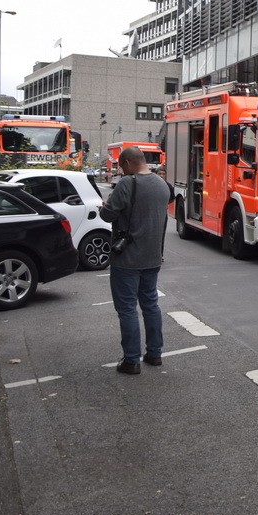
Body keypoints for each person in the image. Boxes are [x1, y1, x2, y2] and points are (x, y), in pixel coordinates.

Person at [100, 147, 172, 375]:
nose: (122, 170)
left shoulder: (127, 184)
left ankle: (131, 360)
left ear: (129, 162)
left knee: (128, 309)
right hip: (152, 257)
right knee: (150, 304)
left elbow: (107, 215)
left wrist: (104, 207)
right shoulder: (162, 185)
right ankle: (155, 353)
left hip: (127, 258)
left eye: (122, 166)